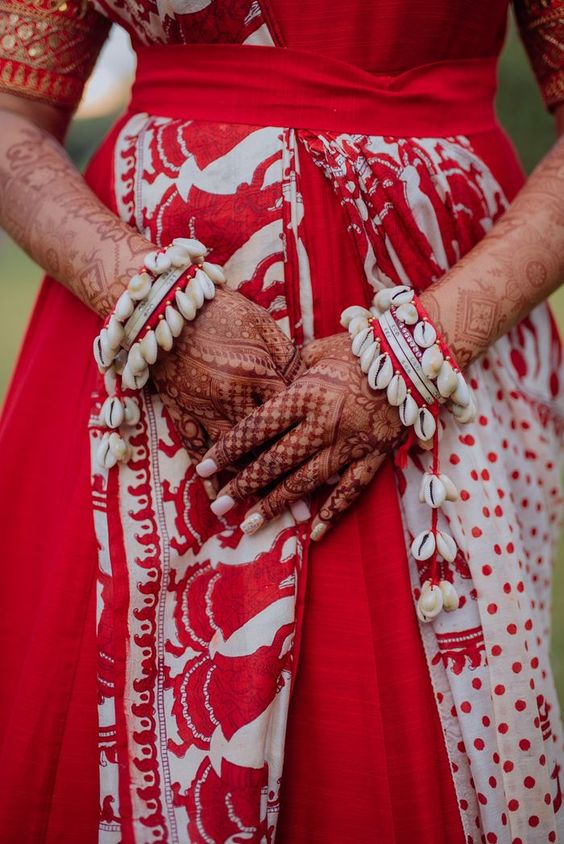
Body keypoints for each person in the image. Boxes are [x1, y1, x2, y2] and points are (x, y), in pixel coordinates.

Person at [0, 0, 562, 842]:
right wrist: (145, 297)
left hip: (439, 345)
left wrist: (419, 346)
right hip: (133, 356)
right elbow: (12, 111)